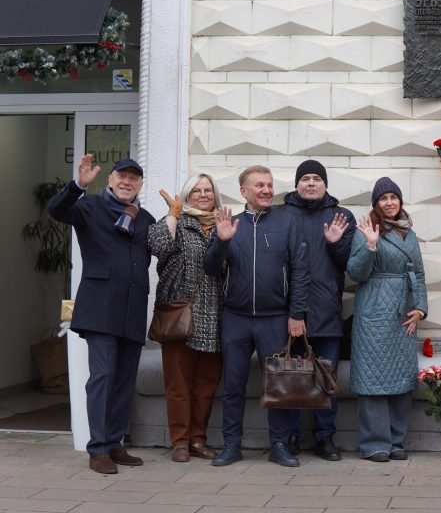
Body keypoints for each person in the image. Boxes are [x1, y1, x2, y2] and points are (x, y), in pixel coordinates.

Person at [48, 154, 155, 474]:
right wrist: (78, 185)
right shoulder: (89, 207)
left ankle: (114, 442)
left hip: (133, 309)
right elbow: (56, 210)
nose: (127, 182)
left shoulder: (145, 218)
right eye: (121, 176)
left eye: (134, 178)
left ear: (140, 185)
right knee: (103, 377)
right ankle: (97, 449)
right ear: (109, 180)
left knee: (124, 381)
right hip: (100, 309)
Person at [204, 165, 310, 468]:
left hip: (275, 318)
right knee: (233, 385)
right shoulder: (229, 224)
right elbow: (211, 269)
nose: (266, 190)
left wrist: (296, 313)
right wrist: (221, 241)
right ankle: (231, 445)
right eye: (259, 185)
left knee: (278, 384)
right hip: (235, 318)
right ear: (243, 192)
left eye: (269, 185)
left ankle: (278, 444)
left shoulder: (288, 223)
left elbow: (300, 271)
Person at [349, 177, 427, 462]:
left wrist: (420, 309)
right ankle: (374, 444)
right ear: (376, 204)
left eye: (394, 197)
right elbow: (355, 274)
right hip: (373, 311)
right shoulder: (367, 229)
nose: (389, 203)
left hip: (403, 313)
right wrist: (370, 246)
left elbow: (418, 273)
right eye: (383, 199)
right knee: (373, 380)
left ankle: (396, 441)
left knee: (401, 379)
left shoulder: (410, 233)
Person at [148, 174, 225, 463]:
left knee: (206, 386)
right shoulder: (178, 223)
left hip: (216, 317)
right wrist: (172, 214)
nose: (203, 194)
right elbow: (158, 246)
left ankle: (197, 440)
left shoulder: (224, 225)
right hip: (182, 316)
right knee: (178, 385)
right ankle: (179, 442)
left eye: (208, 190)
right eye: (197, 190)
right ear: (187, 195)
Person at [281, 160, 354, 461]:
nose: (311, 183)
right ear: (297, 184)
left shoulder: (341, 216)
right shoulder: (281, 214)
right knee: (294, 378)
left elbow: (352, 263)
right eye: (305, 179)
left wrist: (336, 244)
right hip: (288, 313)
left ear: (325, 184)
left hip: (326, 311)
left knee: (326, 378)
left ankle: (325, 438)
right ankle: (293, 436)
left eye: (317, 179)